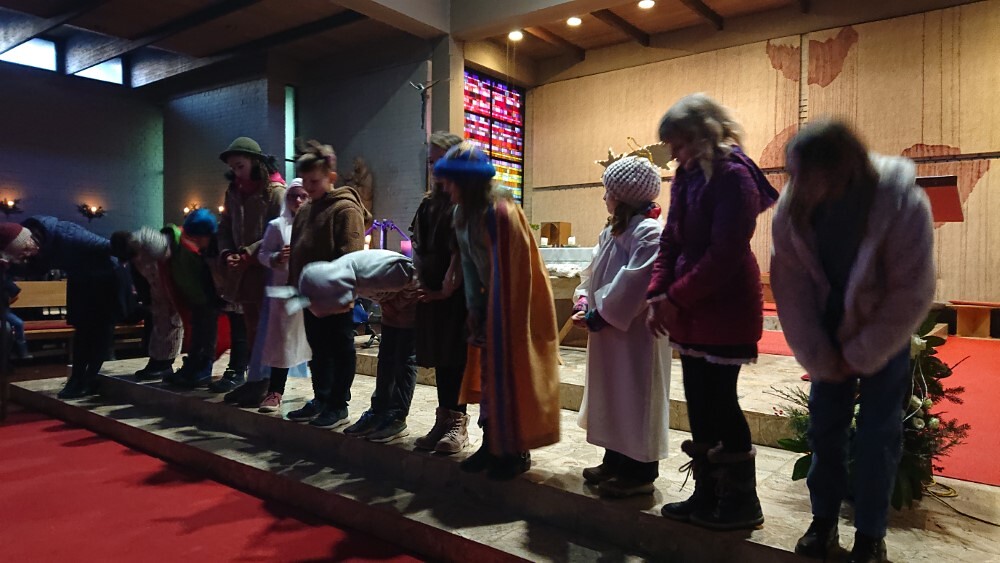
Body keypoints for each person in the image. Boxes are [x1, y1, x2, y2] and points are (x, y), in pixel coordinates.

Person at [771, 121, 935, 563]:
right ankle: (823, 523)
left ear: (842, 166)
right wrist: (818, 354)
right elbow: (790, 285)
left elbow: (912, 290)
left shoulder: (900, 201)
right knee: (825, 429)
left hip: (884, 329)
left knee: (878, 434)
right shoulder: (794, 206)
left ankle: (870, 536)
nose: (798, 186)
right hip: (825, 330)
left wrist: (864, 351)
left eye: (808, 175)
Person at [646, 93, 778, 530]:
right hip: (690, 304)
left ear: (703, 134)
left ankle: (741, 502)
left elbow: (725, 254)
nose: (674, 155)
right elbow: (671, 239)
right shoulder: (687, 174)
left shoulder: (734, 176)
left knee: (721, 402)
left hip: (725, 305)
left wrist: (674, 298)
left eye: (679, 144)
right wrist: (657, 293)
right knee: (699, 403)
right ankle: (707, 494)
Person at [434, 141, 560, 481]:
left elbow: (514, 270)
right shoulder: (462, 214)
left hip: (517, 302)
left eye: (451, 182)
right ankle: (492, 444)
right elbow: (470, 267)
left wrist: (499, 316)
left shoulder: (499, 212)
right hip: (493, 302)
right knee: (490, 377)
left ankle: (515, 451)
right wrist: (475, 309)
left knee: (512, 376)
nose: (446, 188)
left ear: (468, 182)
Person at [572, 156, 671, 498]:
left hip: (636, 333)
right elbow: (593, 272)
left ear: (624, 195)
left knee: (636, 395)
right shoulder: (613, 230)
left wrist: (602, 314)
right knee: (612, 394)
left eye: (608, 191)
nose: (604, 197)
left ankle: (640, 470)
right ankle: (614, 459)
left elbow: (638, 279)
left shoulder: (649, 231)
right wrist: (583, 301)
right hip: (610, 331)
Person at [285, 140, 371, 428]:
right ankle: (321, 397)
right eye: (305, 181)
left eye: (314, 182)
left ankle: (338, 404)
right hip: (310, 297)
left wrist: (342, 292)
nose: (308, 188)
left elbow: (352, 256)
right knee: (318, 349)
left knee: (339, 349)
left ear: (331, 177)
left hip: (336, 298)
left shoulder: (345, 209)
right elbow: (297, 250)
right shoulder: (306, 210)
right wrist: (295, 287)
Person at [297, 249, 418, 442]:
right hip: (393, 304)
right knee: (386, 358)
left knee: (403, 359)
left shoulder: (380, 273)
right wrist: (389, 303)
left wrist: (397, 304)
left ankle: (396, 417)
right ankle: (378, 411)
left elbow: (416, 280)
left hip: (410, 304)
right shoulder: (341, 278)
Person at [17, 216, 130, 399]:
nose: (26, 255)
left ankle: (89, 378)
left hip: (106, 278)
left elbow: (110, 247)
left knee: (102, 331)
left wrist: (128, 261)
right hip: (81, 279)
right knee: (82, 331)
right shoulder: (36, 241)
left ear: (34, 240)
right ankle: (76, 379)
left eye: (26, 251)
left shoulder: (70, 235)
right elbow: (37, 267)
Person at [410, 131, 470, 454]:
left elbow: (462, 250)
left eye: (440, 161)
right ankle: (443, 419)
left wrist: (447, 287)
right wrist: (419, 276)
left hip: (457, 295)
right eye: (431, 161)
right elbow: (417, 244)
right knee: (441, 360)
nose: (434, 168)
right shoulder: (428, 203)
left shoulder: (464, 203)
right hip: (432, 290)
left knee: (456, 358)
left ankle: (459, 423)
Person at [212, 136, 286, 396]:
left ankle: (266, 383)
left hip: (266, 269)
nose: (236, 172)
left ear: (255, 162)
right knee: (251, 326)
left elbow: (280, 231)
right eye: (233, 167)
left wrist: (248, 253)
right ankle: (254, 380)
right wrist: (227, 252)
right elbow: (224, 227)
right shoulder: (234, 191)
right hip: (243, 271)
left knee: (267, 328)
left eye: (240, 166)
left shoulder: (275, 193)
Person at [231, 179, 312, 411]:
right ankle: (275, 391)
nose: (298, 200)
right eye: (293, 196)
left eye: (303, 196)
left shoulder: (314, 224)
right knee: (282, 342)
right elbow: (263, 254)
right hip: (284, 291)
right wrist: (277, 258)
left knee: (315, 340)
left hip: (309, 290)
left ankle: (323, 396)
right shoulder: (277, 226)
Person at [111, 226, 183, 381]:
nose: (136, 259)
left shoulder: (152, 242)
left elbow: (170, 263)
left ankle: (166, 363)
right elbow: (138, 276)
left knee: (171, 324)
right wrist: (147, 300)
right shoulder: (130, 250)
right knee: (159, 325)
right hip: (156, 289)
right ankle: (157, 361)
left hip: (170, 287)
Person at [163, 209, 223, 388]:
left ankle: (204, 367)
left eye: (197, 237)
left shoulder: (217, 247)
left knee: (208, 333)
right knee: (197, 333)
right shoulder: (203, 248)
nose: (194, 241)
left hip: (211, 298)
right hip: (199, 297)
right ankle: (193, 364)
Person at [0, 224, 39, 360]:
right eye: (24, 249)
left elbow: (14, 292)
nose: (26, 255)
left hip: (3, 310)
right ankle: (22, 353)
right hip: (3, 311)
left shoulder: (6, 269)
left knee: (10, 327)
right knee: (14, 325)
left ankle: (19, 354)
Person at [2, 271, 30, 359]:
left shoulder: (5, 280)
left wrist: (6, 304)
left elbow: (16, 295)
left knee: (19, 323)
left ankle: (22, 352)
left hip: (3, 311)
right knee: (8, 327)